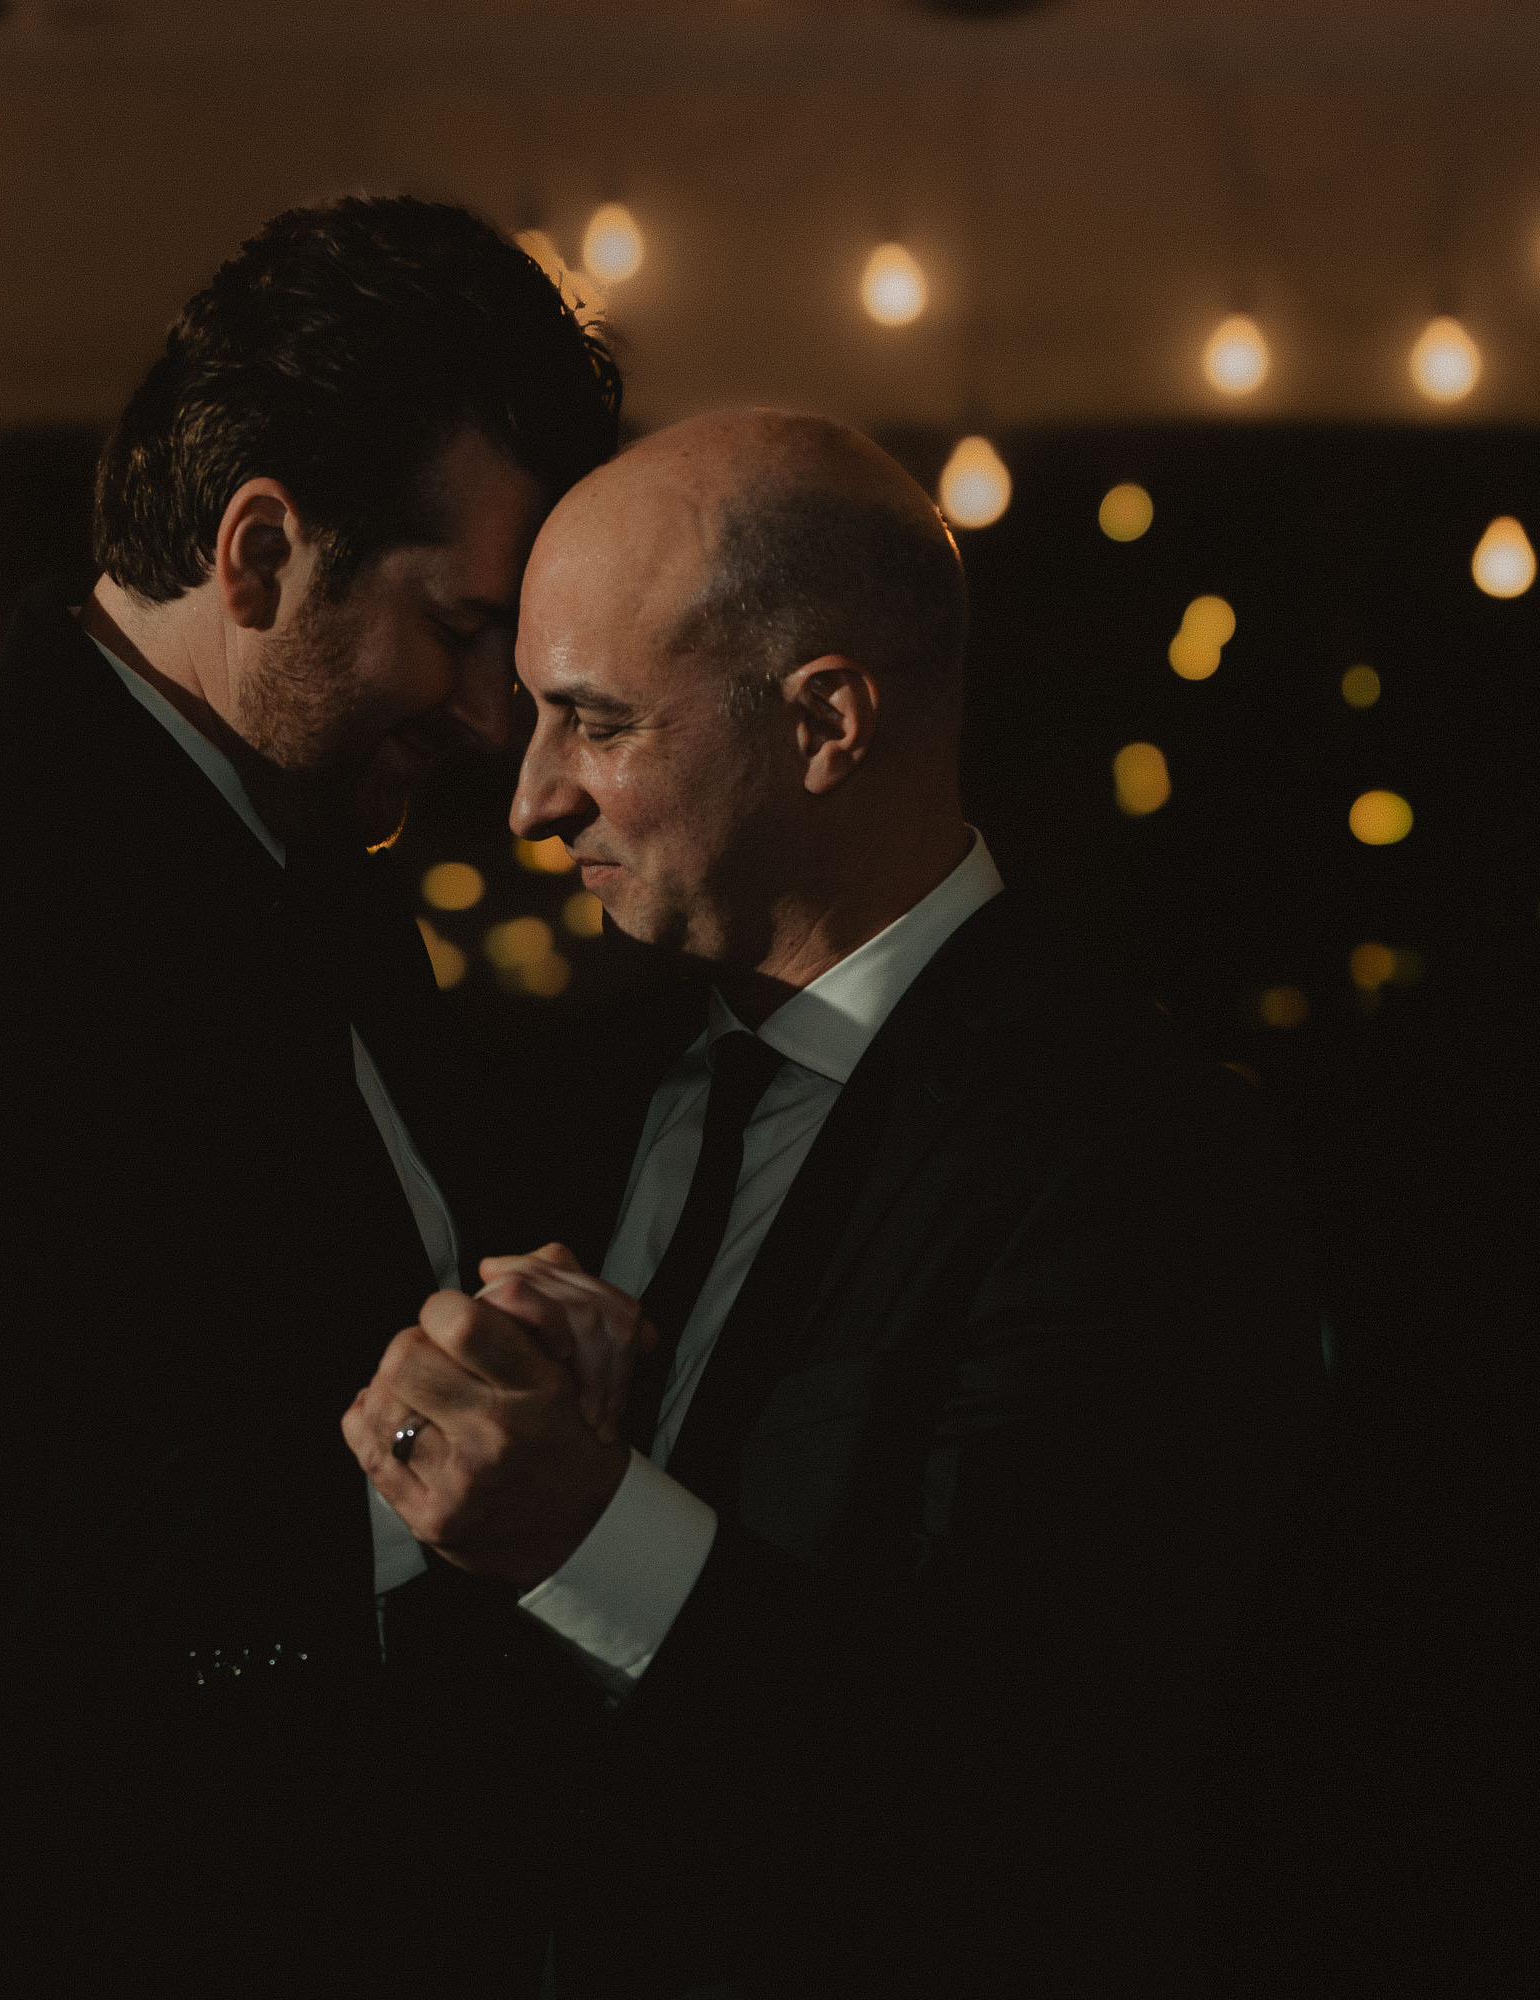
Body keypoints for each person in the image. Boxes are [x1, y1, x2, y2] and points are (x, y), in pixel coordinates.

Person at [0, 195, 621, 1996]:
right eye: (461, 631)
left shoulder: (300, 836)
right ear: (259, 550)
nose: (486, 722)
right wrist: (414, 1477)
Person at [346, 409, 1312, 1996]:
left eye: (594, 722)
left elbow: (1028, 1772)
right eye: (530, 716)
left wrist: (587, 1522)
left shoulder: (1143, 1161)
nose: (529, 800)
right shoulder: (560, 1101)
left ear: (827, 723)